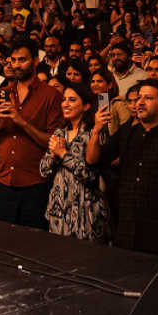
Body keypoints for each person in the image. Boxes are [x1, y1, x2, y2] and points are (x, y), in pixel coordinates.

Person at [87, 79, 158, 257]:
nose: (140, 103)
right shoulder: (126, 133)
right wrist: (97, 129)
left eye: (148, 98)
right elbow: (93, 159)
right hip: (125, 230)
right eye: (138, 98)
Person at [0, 40, 63, 229]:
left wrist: (21, 122)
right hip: (3, 182)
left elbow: (53, 143)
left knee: (32, 246)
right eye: (13, 60)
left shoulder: (50, 95)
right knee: (0, 242)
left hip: (35, 184)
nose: (17, 65)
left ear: (36, 61)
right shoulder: (1, 94)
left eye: (22, 60)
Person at [40, 83, 107, 243]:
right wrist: (54, 155)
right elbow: (43, 171)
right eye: (64, 99)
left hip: (86, 212)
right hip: (59, 211)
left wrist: (63, 154)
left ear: (85, 106)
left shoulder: (94, 134)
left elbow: (89, 175)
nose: (65, 104)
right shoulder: (59, 133)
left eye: (72, 100)